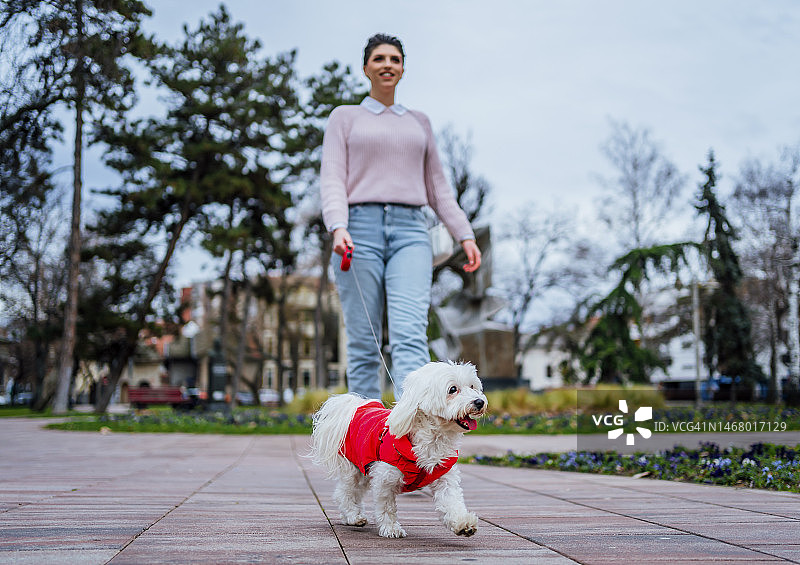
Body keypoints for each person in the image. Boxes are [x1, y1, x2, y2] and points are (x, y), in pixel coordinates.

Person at [320, 33, 481, 400]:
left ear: (403, 68)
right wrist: (338, 226)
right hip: (357, 231)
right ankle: (361, 433)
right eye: (379, 58)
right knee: (365, 340)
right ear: (366, 68)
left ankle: (414, 431)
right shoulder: (345, 118)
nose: (387, 64)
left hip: (411, 232)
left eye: (394, 59)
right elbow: (332, 178)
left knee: (410, 335)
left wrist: (464, 234)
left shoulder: (419, 122)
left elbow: (439, 188)